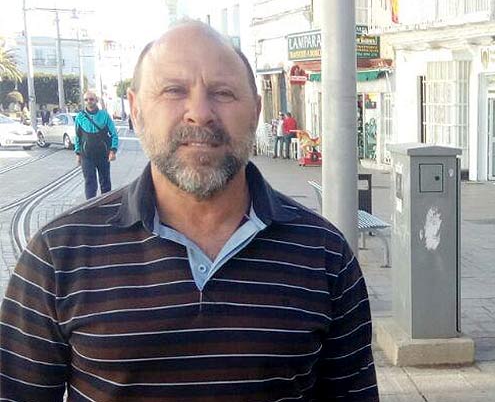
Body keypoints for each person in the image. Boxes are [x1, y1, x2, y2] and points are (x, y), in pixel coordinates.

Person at [0, 21, 378, 401]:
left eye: (224, 92)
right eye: (174, 90)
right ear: (135, 108)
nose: (200, 113)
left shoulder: (324, 255)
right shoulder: (57, 254)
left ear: (256, 110)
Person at [74, 90, 119, 199]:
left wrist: (113, 151)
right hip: (87, 156)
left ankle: (107, 205)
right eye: (86, 99)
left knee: (105, 182)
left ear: (96, 100)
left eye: (91, 99)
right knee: (90, 182)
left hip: (103, 155)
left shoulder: (104, 115)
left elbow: (114, 134)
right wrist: (78, 153)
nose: (89, 101)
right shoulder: (80, 117)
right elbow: (77, 136)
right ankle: (91, 207)